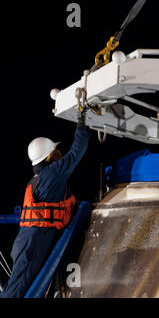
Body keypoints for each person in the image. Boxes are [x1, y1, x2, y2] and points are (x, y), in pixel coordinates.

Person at [0, 108, 90, 298]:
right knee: (16, 292)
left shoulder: (38, 180)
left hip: (29, 242)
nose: (60, 153)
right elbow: (77, 152)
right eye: (56, 151)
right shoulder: (53, 174)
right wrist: (82, 122)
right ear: (50, 156)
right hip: (32, 244)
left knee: (21, 288)